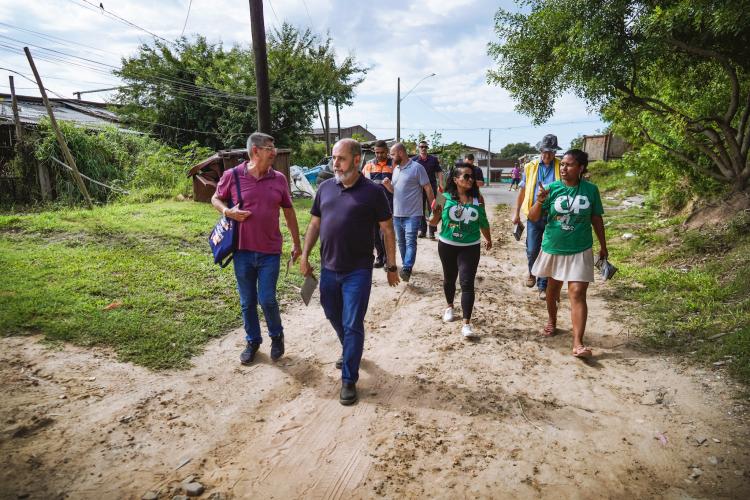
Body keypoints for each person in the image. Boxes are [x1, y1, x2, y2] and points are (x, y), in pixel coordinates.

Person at [300, 139, 400, 405]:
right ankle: (350, 350)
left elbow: (387, 229)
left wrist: (391, 266)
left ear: (357, 160)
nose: (335, 164)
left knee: (352, 322)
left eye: (341, 159)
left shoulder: (373, 192)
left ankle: (348, 379)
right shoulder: (324, 189)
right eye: (334, 158)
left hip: (358, 270)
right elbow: (314, 224)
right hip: (329, 268)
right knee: (332, 312)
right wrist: (305, 256)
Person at [212, 132, 302, 365]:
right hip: (242, 251)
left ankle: (276, 336)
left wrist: (296, 242)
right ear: (255, 151)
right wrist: (227, 211)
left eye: (274, 147)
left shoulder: (279, 179)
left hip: (270, 251)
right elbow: (215, 198)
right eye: (270, 148)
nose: (274, 152)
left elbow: (289, 211)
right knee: (247, 301)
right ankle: (253, 341)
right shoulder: (232, 176)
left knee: (267, 299)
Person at [528, 149, 608, 358]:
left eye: (569, 164)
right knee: (553, 291)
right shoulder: (552, 189)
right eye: (562, 164)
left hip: (580, 249)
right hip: (554, 248)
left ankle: (578, 343)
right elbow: (533, 217)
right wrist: (539, 200)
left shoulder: (591, 190)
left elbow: (596, 218)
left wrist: (603, 245)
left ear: (581, 168)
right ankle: (552, 321)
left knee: (577, 293)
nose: (563, 168)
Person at [429, 164, 492, 338]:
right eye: (466, 176)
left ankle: (466, 323)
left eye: (471, 176)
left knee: (467, 283)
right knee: (449, 279)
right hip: (447, 244)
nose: (470, 179)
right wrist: (434, 212)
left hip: (470, 246)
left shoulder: (478, 198)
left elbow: (483, 221)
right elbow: (433, 222)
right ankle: (449, 306)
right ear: (456, 179)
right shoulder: (443, 197)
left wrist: (488, 238)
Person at [512, 134, 562, 300]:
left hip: (553, 216)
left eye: (551, 151)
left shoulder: (561, 167)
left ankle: (542, 286)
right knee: (533, 249)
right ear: (540, 150)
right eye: (544, 151)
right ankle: (532, 272)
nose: (547, 155)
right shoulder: (530, 166)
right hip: (533, 214)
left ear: (555, 152)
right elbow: (523, 191)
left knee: (547, 252)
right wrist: (516, 213)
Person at [383, 142, 434, 282]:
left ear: (400, 153)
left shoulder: (417, 168)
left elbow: (428, 188)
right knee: (401, 243)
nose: (391, 158)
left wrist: (434, 207)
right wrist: (388, 186)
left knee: (411, 241)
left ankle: (406, 268)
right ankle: (408, 266)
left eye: (393, 155)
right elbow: (396, 191)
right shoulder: (396, 169)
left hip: (413, 214)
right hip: (397, 214)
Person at [362, 140, 394, 267]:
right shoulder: (368, 165)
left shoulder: (394, 165)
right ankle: (379, 257)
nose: (379, 155)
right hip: (371, 205)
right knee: (375, 233)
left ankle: (387, 259)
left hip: (388, 204)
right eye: (377, 152)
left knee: (385, 233)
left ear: (387, 151)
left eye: (382, 152)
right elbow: (363, 184)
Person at [412, 140, 444, 239]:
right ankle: (422, 230)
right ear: (419, 148)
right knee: (420, 209)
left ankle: (432, 232)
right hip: (419, 188)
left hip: (432, 187)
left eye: (425, 147)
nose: (423, 148)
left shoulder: (433, 159)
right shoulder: (414, 160)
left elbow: (439, 172)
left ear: (427, 148)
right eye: (421, 147)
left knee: (433, 208)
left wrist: (441, 184)